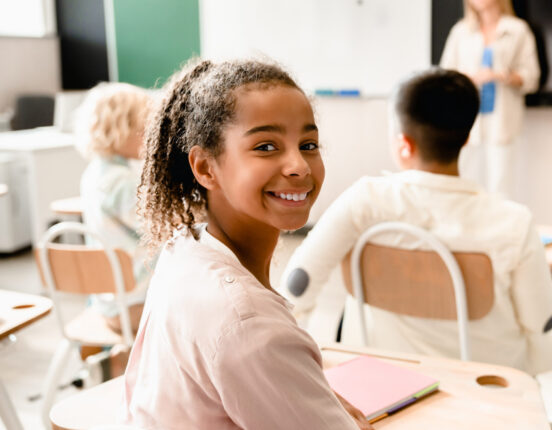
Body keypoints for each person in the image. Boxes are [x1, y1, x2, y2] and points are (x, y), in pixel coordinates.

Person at [122, 58, 373, 429]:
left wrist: (302, 392)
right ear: (206, 168)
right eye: (266, 146)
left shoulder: (184, 249)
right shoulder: (248, 323)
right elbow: (248, 339)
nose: (299, 166)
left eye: (308, 144)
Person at [280, 68, 552, 376]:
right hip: (484, 393)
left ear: (404, 143)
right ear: (467, 138)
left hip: (384, 383)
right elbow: (543, 320)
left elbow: (297, 285)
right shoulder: (513, 223)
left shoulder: (364, 200)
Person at [75, 82, 154, 375]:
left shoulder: (95, 174)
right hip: (135, 306)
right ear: (118, 130)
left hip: (109, 301)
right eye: (143, 128)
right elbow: (163, 227)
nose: (149, 136)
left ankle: (121, 359)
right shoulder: (121, 183)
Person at [440, 0, 540, 197]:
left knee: (501, 186)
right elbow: (446, 75)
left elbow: (532, 77)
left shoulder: (517, 30)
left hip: (502, 122)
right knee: (464, 184)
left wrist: (501, 75)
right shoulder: (460, 31)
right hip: (467, 122)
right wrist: (470, 78)